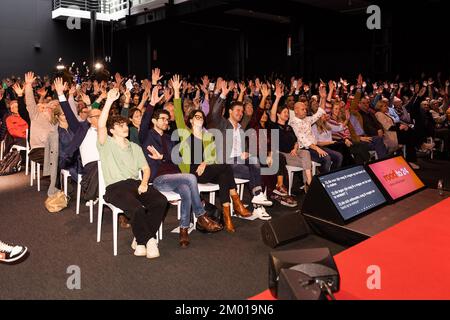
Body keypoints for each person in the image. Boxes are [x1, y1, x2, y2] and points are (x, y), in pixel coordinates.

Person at [171, 74, 256, 233]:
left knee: (224, 174)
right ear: (190, 120)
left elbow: (212, 157)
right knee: (225, 166)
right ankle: (236, 201)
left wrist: (205, 162)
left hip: (206, 168)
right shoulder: (184, 133)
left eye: (201, 117)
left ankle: (228, 217)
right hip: (192, 172)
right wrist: (176, 91)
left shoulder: (208, 136)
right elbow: (177, 112)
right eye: (196, 117)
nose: (200, 118)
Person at [97, 87, 167, 259]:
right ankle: (149, 240)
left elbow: (146, 168)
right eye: (120, 125)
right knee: (136, 209)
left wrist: (144, 183)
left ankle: (140, 239)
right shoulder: (107, 144)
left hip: (135, 184)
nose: (124, 127)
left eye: (125, 125)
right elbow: (100, 125)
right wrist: (109, 102)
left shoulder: (134, 147)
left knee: (160, 201)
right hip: (115, 188)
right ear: (112, 130)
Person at [208, 80, 272, 207]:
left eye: (242, 111)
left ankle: (257, 197)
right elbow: (214, 113)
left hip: (240, 159)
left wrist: (246, 152)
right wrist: (222, 95)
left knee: (254, 161)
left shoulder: (241, 129)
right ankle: (258, 198)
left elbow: (255, 116)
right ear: (230, 112)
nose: (240, 113)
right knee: (257, 173)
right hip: (227, 162)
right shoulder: (222, 124)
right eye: (237, 110)